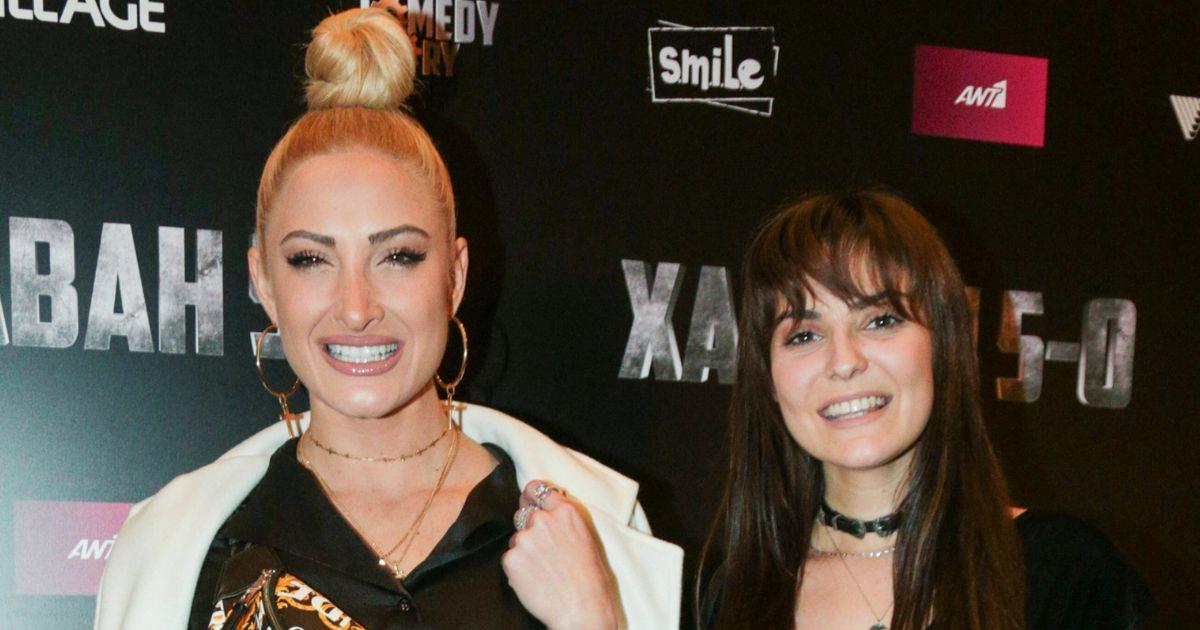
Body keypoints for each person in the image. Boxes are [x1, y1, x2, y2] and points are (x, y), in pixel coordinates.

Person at [93, 5, 682, 629]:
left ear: (454, 276)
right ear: (263, 281)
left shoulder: (592, 531)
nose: (356, 308)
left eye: (398, 256)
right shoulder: (180, 549)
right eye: (311, 259)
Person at [698, 190, 1153, 630]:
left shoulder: (1064, 574)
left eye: (880, 320)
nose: (844, 361)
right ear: (768, 377)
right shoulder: (737, 595)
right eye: (803, 335)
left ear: (943, 345)